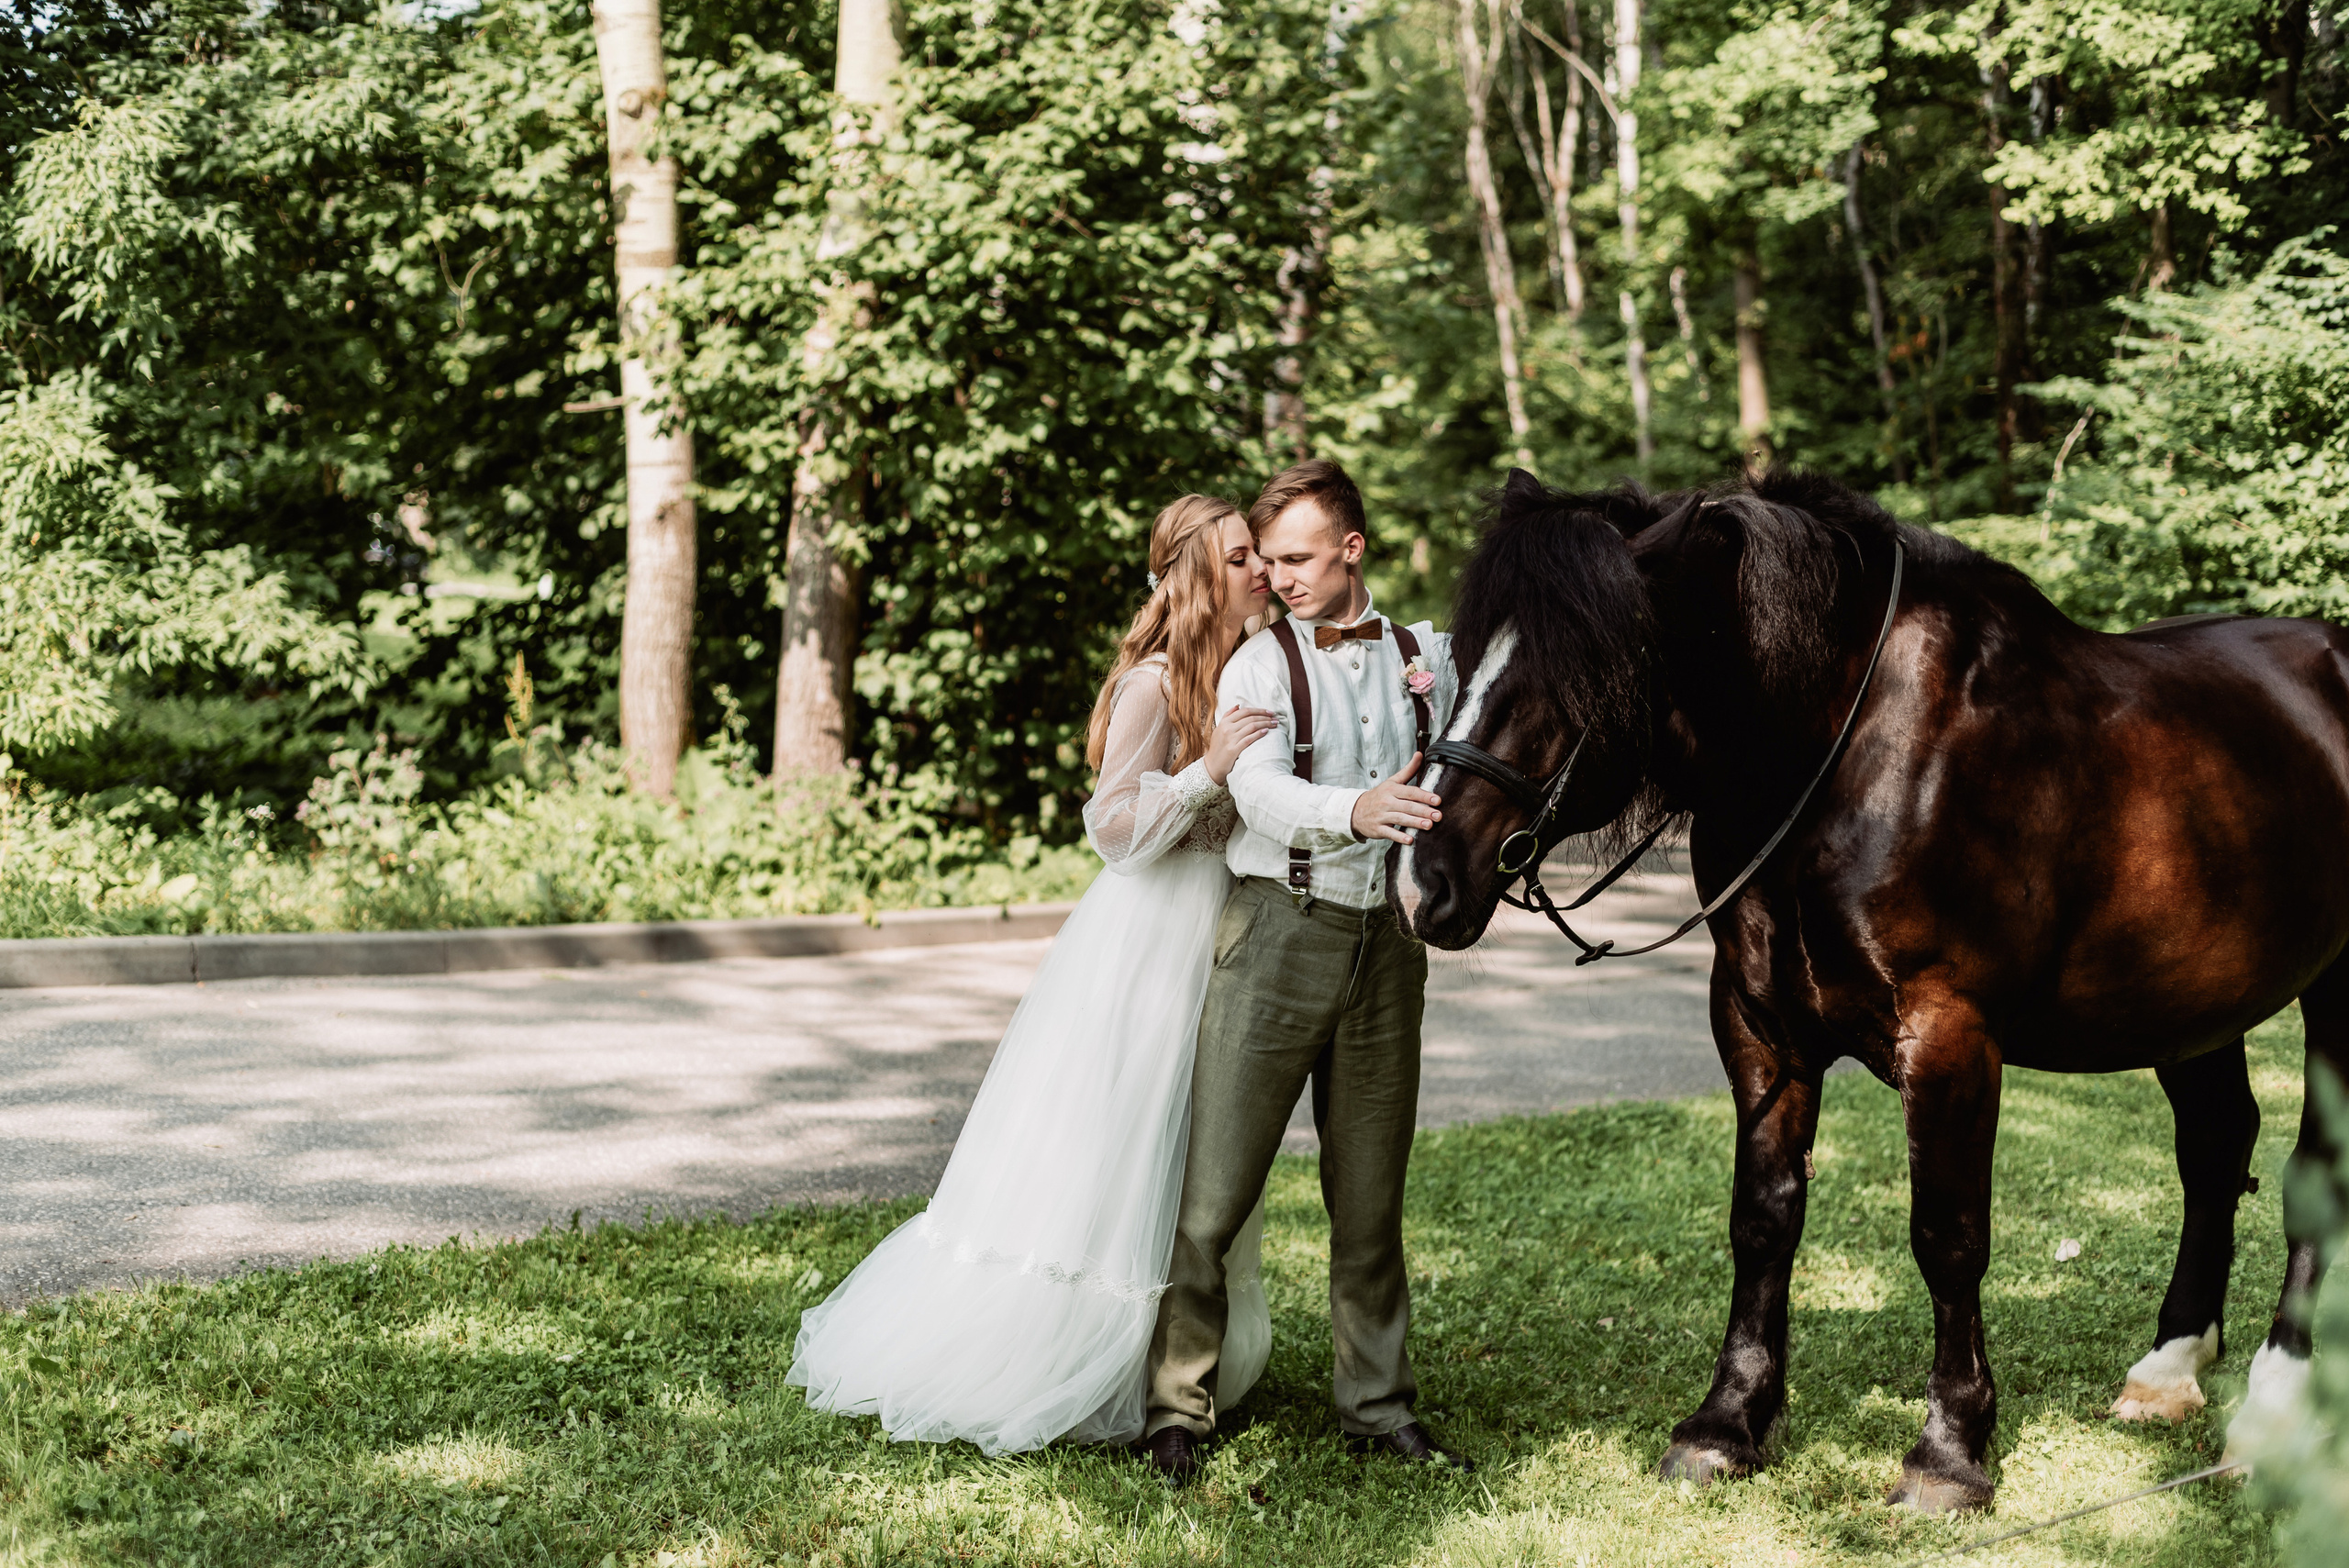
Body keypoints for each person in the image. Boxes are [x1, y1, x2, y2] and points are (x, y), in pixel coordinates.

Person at [786, 494, 1284, 1455]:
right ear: (1191, 575)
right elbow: (1113, 833)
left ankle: (1182, 1354)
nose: (1259, 570)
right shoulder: (1150, 684)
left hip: (1226, 935)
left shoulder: (1249, 671)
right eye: (1238, 558)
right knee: (1119, 1146)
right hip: (1147, 941)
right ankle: (1066, 1349)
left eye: (1259, 555)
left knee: (1200, 1152)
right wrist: (1206, 770)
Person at [1141, 459, 1470, 1478]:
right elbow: (1258, 787)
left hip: (1386, 952)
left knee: (1368, 1198)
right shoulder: (1254, 667)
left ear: (1351, 549)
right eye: (1268, 559)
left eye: (1297, 557)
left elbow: (1463, 765)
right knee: (1213, 1196)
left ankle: (1377, 1406)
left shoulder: (1429, 655)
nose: (1277, 576)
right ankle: (1175, 1408)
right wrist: (1354, 810)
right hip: (1274, 932)